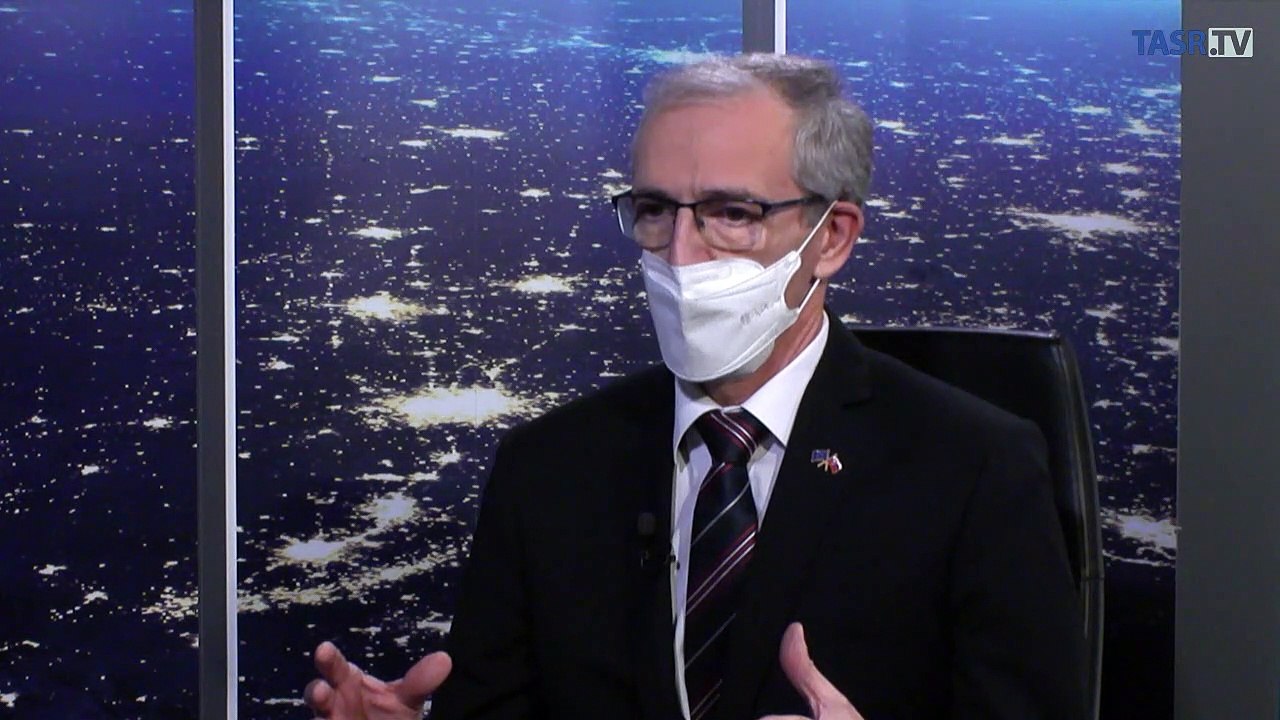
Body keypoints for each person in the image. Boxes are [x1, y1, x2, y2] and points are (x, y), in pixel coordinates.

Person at [304, 53, 1086, 720]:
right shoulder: (547, 468)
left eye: (731, 213)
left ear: (832, 238)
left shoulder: (973, 468)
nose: (681, 254)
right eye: (655, 211)